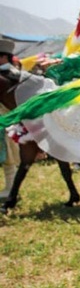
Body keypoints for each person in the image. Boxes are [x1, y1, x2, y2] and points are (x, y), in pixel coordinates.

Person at [0, 38, 19, 197]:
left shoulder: (7, 75)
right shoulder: (15, 73)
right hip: (10, 119)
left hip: (6, 119)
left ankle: (11, 188)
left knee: (8, 157)